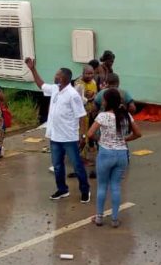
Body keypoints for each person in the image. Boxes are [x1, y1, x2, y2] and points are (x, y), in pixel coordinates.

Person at [24, 58, 90, 202]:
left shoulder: (73, 95)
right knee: (58, 166)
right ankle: (62, 190)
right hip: (55, 137)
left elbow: (82, 116)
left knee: (77, 166)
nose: (55, 77)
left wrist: (83, 135)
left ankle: (85, 191)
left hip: (69, 138)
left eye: (57, 75)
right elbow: (41, 85)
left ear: (65, 79)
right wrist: (32, 69)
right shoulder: (54, 89)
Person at [86, 88, 141, 227]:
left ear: (107, 101)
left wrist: (100, 139)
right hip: (122, 154)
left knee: (102, 186)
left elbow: (90, 134)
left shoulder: (102, 116)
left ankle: (99, 217)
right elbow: (138, 133)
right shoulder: (126, 115)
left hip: (105, 153)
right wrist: (125, 139)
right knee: (116, 186)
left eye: (104, 99)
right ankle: (115, 219)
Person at [74, 64, 99, 179]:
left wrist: (93, 97)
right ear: (83, 73)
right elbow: (79, 99)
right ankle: (81, 158)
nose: (90, 75)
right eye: (87, 73)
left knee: (89, 134)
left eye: (91, 73)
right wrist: (89, 97)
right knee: (83, 135)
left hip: (91, 113)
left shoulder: (93, 82)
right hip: (81, 114)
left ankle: (82, 152)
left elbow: (95, 94)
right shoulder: (79, 84)